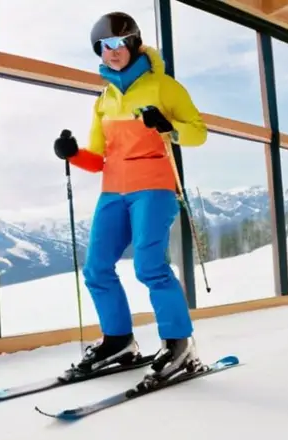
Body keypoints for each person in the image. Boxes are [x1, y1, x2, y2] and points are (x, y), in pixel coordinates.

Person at [52, 12, 208, 381]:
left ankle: (178, 343)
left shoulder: (165, 87)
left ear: (134, 44)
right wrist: (72, 152)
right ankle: (119, 340)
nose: (113, 51)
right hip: (113, 190)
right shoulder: (103, 99)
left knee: (149, 266)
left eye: (120, 43)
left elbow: (198, 133)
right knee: (96, 269)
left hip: (153, 187)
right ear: (99, 52)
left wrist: (168, 126)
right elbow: (97, 157)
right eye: (105, 46)